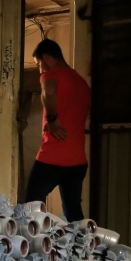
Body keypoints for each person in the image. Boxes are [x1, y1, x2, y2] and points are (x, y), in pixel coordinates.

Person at [25, 38, 92, 221]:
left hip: (53, 157)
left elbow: (50, 92)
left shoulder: (51, 75)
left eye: (39, 64)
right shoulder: (80, 82)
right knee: (73, 213)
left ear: (47, 58)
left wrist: (52, 119)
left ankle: (31, 246)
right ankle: (83, 246)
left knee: (29, 207)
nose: (40, 69)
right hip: (78, 161)